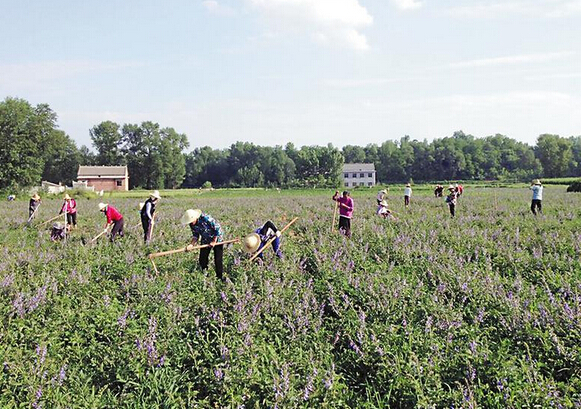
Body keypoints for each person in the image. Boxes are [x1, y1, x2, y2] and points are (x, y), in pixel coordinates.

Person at [181, 209, 225, 280]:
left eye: (191, 221)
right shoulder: (192, 224)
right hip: (205, 239)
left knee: (218, 259)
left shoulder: (206, 218)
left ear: (195, 218)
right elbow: (195, 235)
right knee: (202, 259)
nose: (191, 223)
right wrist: (191, 245)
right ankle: (205, 276)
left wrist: (214, 241)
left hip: (217, 239)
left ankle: (220, 277)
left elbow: (217, 229)